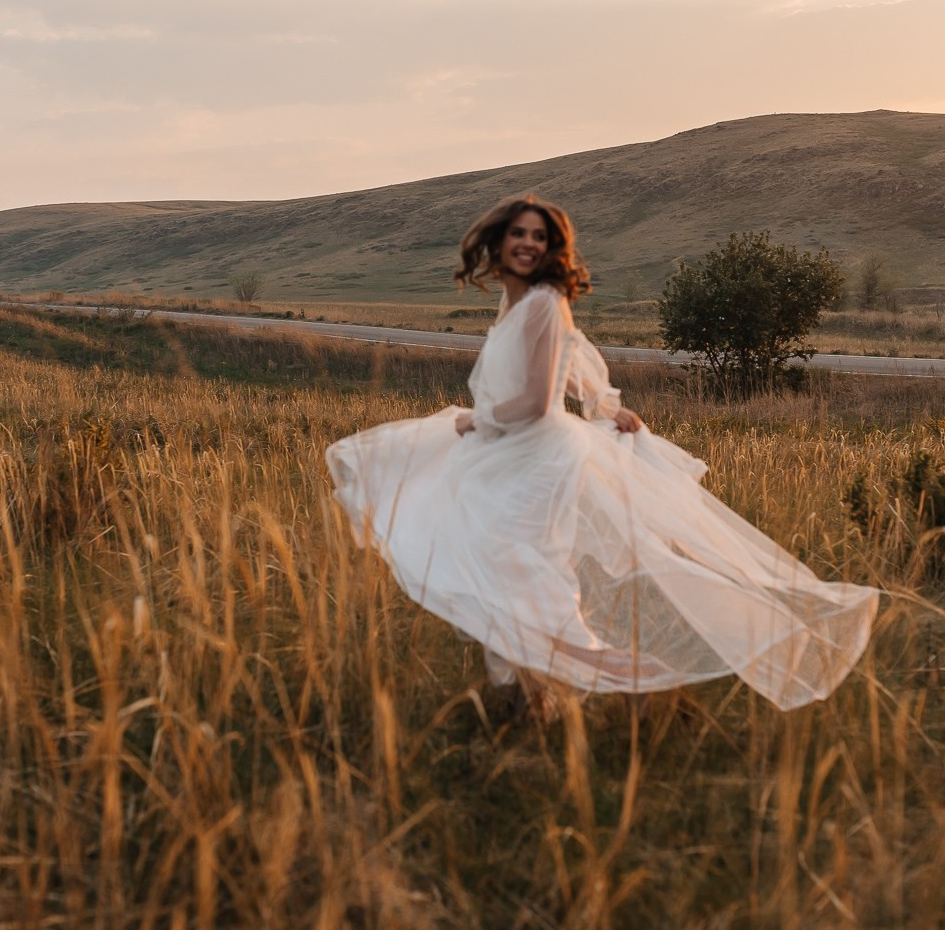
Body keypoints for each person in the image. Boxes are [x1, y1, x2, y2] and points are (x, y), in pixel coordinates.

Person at [325, 195, 878, 712]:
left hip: (537, 455)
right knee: (503, 573)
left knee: (524, 577)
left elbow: (537, 401)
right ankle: (528, 701)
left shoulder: (544, 302)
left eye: (539, 237)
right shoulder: (517, 301)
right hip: (510, 449)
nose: (529, 243)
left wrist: (479, 419)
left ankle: (641, 683)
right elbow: (572, 356)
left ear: (552, 248)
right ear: (497, 241)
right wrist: (603, 402)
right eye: (518, 233)